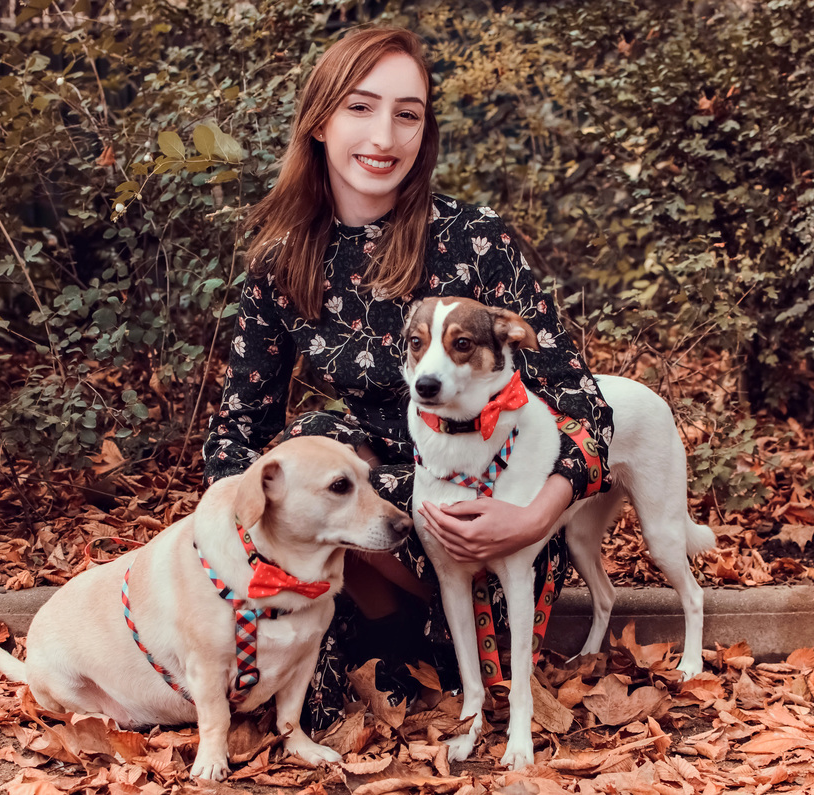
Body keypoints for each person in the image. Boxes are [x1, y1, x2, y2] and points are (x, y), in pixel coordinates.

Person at [202, 25, 614, 730]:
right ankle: (378, 640)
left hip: (489, 509)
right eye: (361, 108)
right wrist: (225, 551)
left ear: (426, 131)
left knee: (353, 471)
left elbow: (586, 407)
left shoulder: (474, 241)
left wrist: (534, 516)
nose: (384, 136)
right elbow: (238, 434)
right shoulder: (282, 260)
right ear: (320, 120)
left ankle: (438, 644)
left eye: (408, 114)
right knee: (314, 443)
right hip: (368, 515)